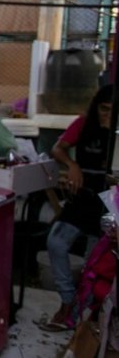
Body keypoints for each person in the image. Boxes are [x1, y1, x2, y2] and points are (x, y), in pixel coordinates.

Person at [39, 83, 114, 332]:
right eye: (103, 109)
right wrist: (72, 165)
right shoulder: (84, 124)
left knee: (94, 261)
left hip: (109, 201)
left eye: (112, 111)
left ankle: (86, 313)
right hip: (83, 195)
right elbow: (57, 148)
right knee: (56, 242)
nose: (107, 115)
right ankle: (68, 300)